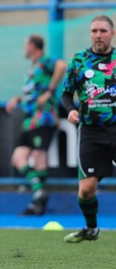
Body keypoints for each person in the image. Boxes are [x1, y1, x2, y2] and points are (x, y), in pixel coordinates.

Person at [62, 15, 116, 243]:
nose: (98, 35)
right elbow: (66, 94)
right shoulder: (79, 60)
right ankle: (91, 228)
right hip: (90, 132)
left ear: (111, 33)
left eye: (103, 30)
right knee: (85, 191)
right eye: (94, 31)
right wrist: (70, 110)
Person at [6, 35, 67, 215]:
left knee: (39, 156)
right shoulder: (33, 67)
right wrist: (18, 98)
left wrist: (50, 91)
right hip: (29, 119)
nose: (24, 48)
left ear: (32, 45)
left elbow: (62, 66)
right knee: (18, 157)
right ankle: (39, 191)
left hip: (44, 117)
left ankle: (38, 202)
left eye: (26, 44)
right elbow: (32, 91)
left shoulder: (44, 61)